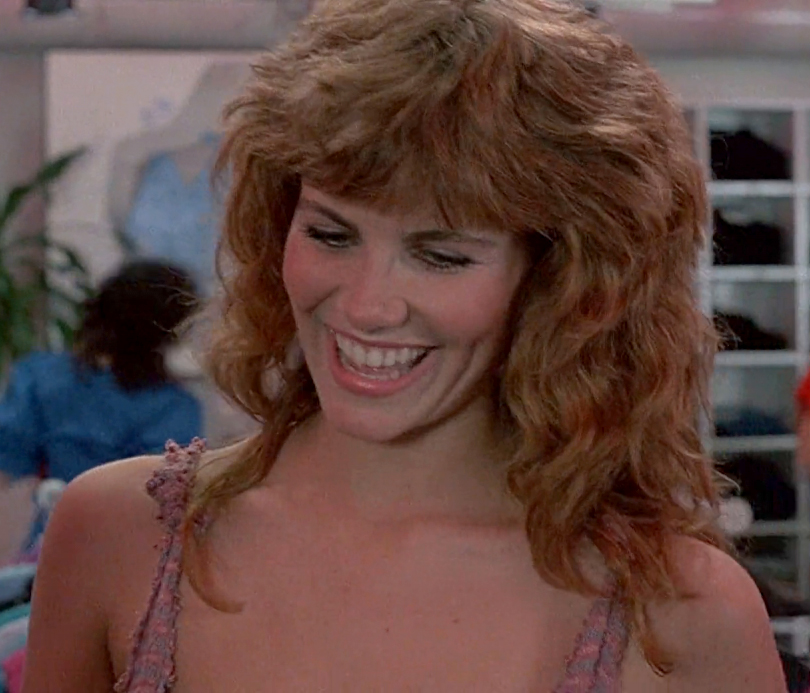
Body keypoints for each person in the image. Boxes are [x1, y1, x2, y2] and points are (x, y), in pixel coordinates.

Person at [22, 1, 786, 691]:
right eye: (331, 234)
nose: (365, 305)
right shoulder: (115, 535)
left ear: (563, 280)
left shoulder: (684, 618)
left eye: (441, 255)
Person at [0, 259, 202, 486]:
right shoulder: (172, 407)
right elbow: (161, 487)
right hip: (122, 508)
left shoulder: (38, 375)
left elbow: (8, 459)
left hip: (46, 504)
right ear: (171, 331)